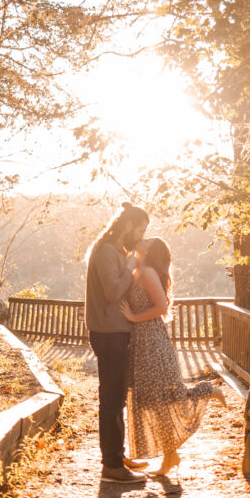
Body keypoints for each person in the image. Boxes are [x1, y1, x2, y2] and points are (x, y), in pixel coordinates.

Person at [120, 237, 228, 476]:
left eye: (146, 241)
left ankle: (205, 390)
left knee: (162, 398)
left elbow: (162, 306)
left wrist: (133, 318)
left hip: (153, 342)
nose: (141, 240)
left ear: (151, 251)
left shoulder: (147, 272)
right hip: (141, 343)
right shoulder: (138, 269)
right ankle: (171, 456)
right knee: (153, 401)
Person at [85, 202, 150, 483]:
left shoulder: (113, 250)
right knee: (111, 399)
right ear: (129, 226)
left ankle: (117, 456)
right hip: (109, 334)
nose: (141, 235)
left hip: (116, 333)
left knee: (117, 397)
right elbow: (112, 291)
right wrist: (132, 266)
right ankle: (111, 466)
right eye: (141, 229)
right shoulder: (107, 251)